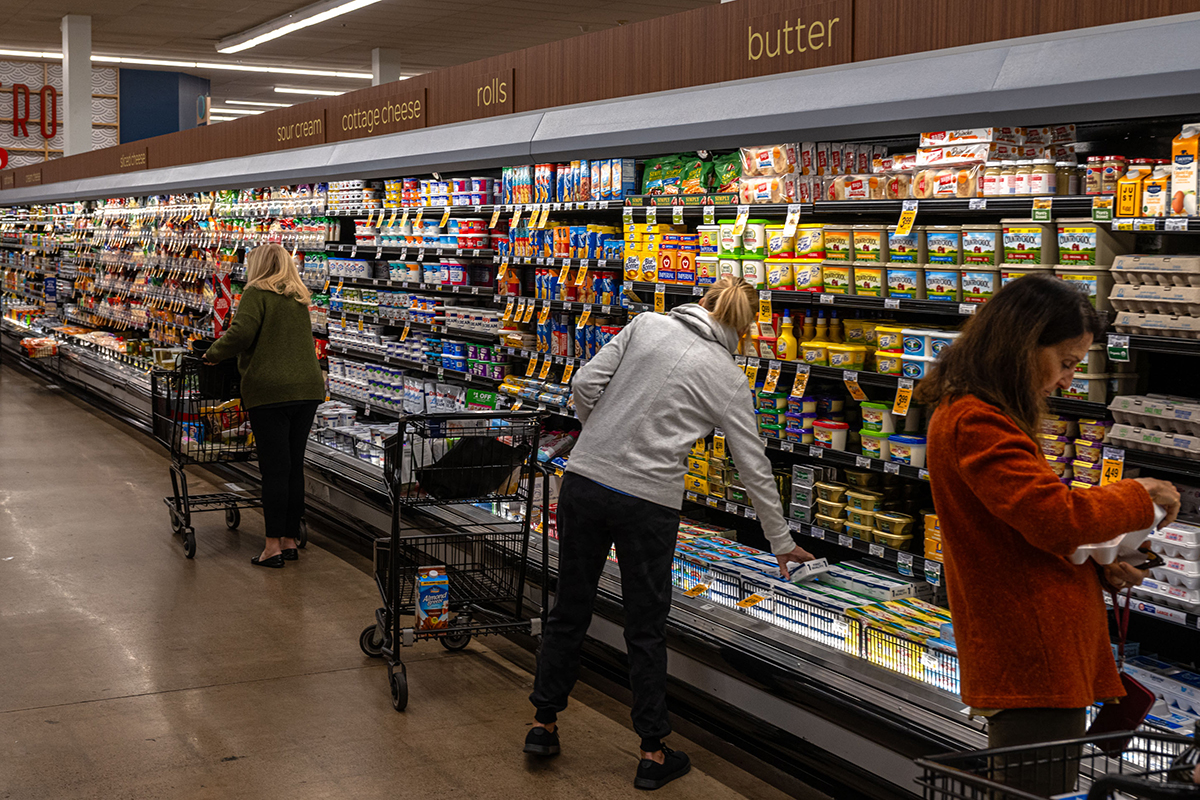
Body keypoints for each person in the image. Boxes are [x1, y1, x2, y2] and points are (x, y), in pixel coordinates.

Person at [523, 275, 814, 791]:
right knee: (645, 626)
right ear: (742, 330)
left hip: (585, 483)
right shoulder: (726, 377)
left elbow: (584, 386)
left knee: (569, 607)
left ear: (701, 302)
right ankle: (652, 750)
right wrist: (780, 542)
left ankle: (543, 724)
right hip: (647, 502)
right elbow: (753, 467)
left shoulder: (647, 325)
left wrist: (599, 437)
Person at [916, 275, 1180, 794]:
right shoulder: (977, 420)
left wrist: (1104, 562)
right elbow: (1053, 517)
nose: (1068, 380)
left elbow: (1024, 529)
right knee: (1039, 789)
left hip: (1034, 644)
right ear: (1021, 347)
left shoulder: (981, 411)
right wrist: (1138, 494)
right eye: (1066, 362)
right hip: (1031, 657)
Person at [202, 244, 325, 569]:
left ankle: (271, 547)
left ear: (259, 266)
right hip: (307, 389)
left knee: (274, 469)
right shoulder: (297, 295)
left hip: (271, 391)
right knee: (293, 467)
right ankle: (288, 539)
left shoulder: (257, 292)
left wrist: (212, 354)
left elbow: (242, 334)